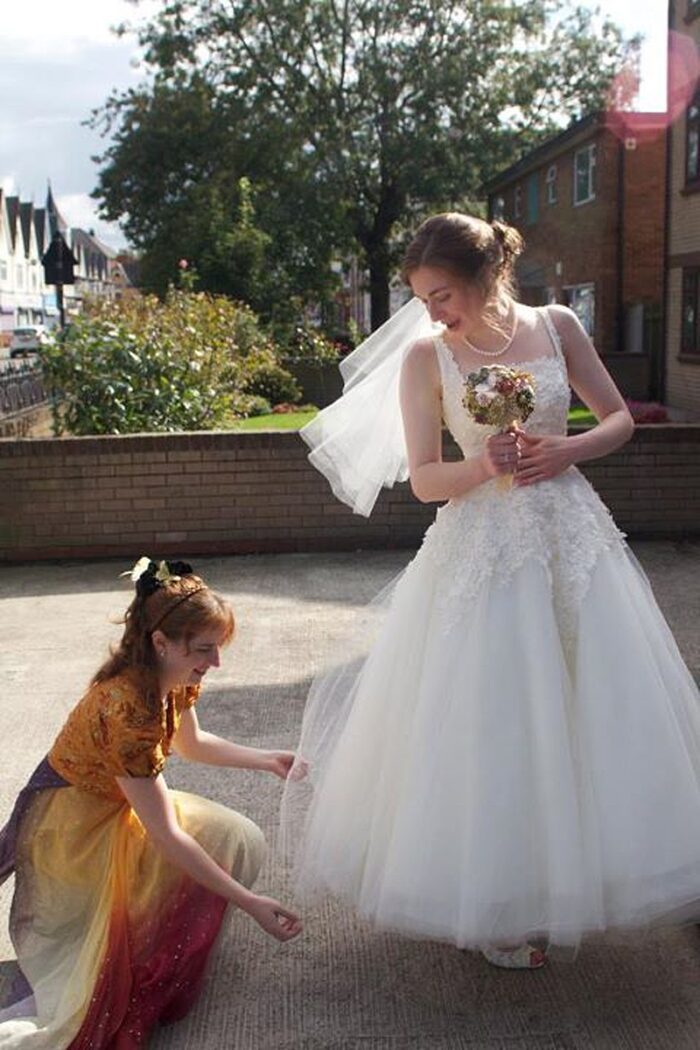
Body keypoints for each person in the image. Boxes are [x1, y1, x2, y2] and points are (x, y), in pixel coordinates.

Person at [283, 212, 700, 970]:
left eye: (442, 294)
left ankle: (582, 877)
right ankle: (496, 905)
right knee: (495, 721)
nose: (432, 311)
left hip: (570, 537)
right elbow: (425, 479)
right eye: (423, 298)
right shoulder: (424, 357)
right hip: (480, 549)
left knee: (595, 702)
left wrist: (565, 447)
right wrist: (485, 464)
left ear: (484, 277)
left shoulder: (557, 323)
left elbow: (616, 420)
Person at [0, 558, 302, 1047]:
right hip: (72, 833)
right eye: (205, 649)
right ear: (161, 643)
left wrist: (266, 759)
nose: (216, 662)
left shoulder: (172, 677)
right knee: (91, 988)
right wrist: (248, 903)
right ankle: (140, 954)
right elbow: (167, 834)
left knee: (235, 836)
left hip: (112, 807)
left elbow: (193, 744)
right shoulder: (128, 710)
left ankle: (155, 944)